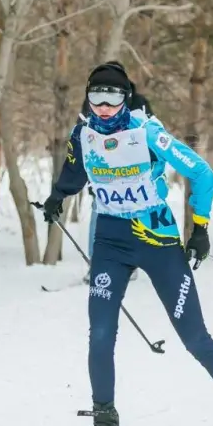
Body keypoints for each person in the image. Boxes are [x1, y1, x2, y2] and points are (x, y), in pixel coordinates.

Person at [40, 62, 213, 426]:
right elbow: (73, 172)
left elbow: (202, 174)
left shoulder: (146, 133)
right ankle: (105, 425)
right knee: (100, 333)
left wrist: (200, 228)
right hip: (110, 243)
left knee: (196, 339)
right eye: (96, 97)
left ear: (126, 99)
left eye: (113, 97)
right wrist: (57, 197)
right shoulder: (82, 134)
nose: (103, 107)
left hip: (157, 242)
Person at [77, 62, 152, 283]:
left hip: (133, 171)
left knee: (132, 218)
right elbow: (82, 133)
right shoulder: (90, 101)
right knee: (99, 214)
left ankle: (129, 264)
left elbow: (150, 134)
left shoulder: (139, 103)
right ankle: (96, 265)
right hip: (102, 170)